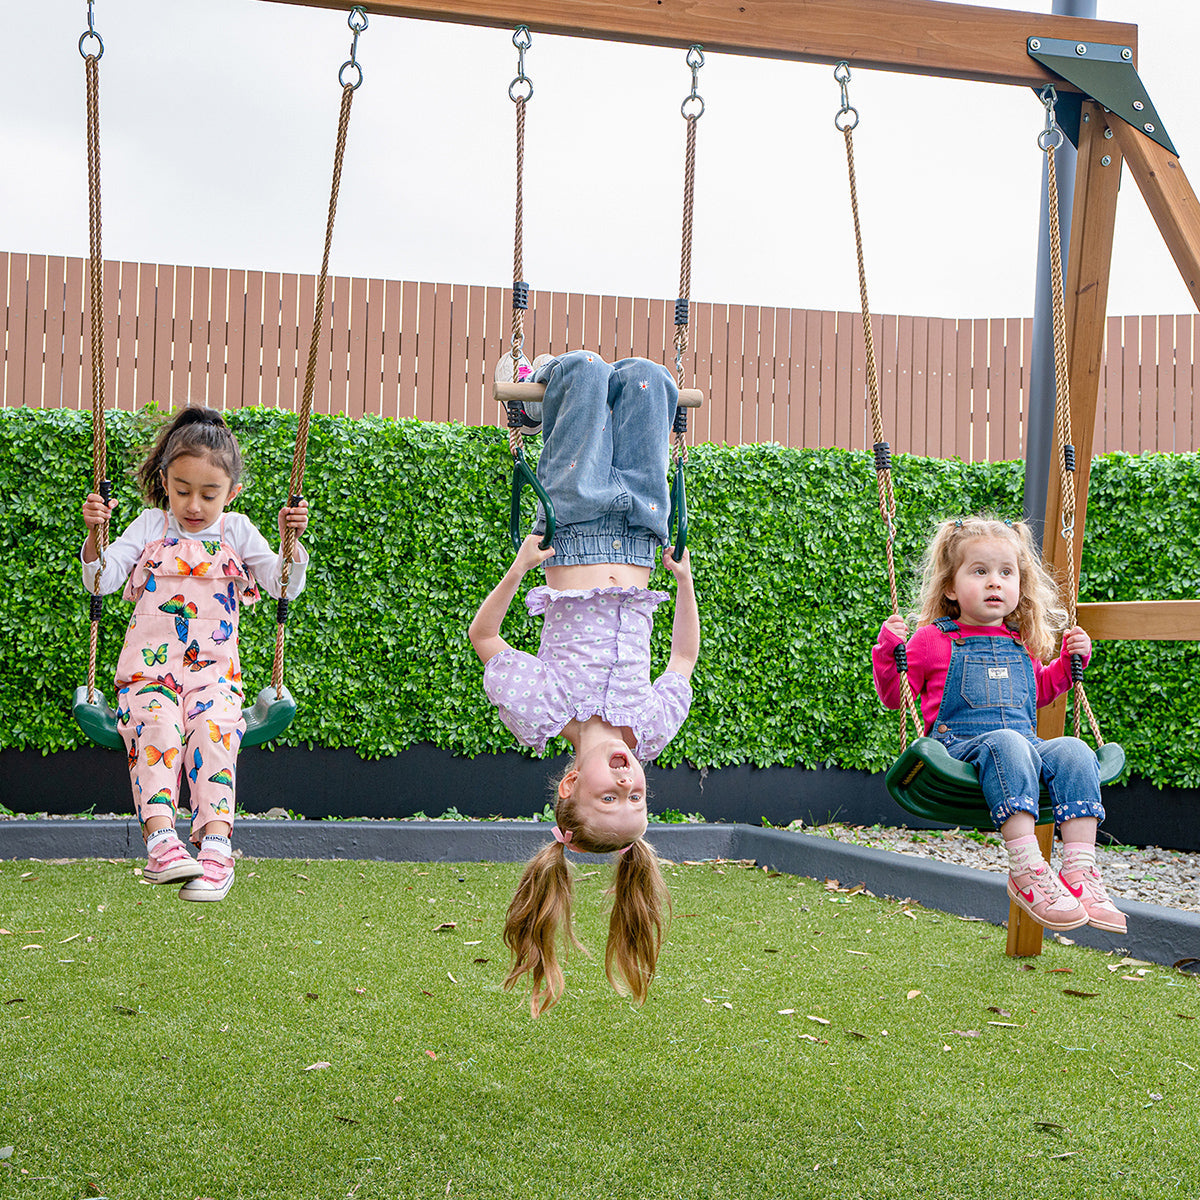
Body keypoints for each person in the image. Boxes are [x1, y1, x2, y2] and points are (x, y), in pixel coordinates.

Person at [470, 350, 701, 1015]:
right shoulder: (651, 729)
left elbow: (485, 640)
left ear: (570, 787)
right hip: (641, 533)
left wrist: (518, 569)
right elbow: (681, 661)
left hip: (569, 529)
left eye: (611, 799)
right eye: (637, 799)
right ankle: (562, 391)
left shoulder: (539, 715)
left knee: (581, 369)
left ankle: (537, 399)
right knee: (647, 379)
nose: (629, 784)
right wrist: (683, 585)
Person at [81, 406, 309, 902]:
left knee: (213, 729)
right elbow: (102, 579)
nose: (194, 505)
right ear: (165, 480)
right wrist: (95, 534)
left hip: (214, 678)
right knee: (157, 726)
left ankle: (215, 847)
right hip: (149, 675)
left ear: (232, 493)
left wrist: (290, 544)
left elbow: (282, 586)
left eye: (209, 494)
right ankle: (162, 842)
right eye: (182, 490)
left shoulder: (238, 531)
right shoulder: (149, 527)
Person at [872, 516, 1125, 935]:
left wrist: (1068, 665)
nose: (995, 582)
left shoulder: (1020, 640)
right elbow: (894, 696)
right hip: (961, 751)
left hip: (1021, 748)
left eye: (1006, 573)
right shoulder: (931, 639)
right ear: (950, 587)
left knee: (1074, 749)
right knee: (1009, 741)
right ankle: (1026, 870)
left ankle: (1080, 873)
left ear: (1020, 585)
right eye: (980, 571)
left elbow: (1038, 692)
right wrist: (888, 652)